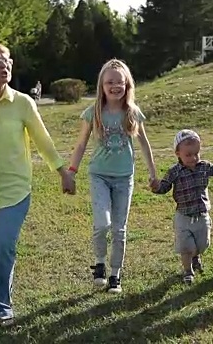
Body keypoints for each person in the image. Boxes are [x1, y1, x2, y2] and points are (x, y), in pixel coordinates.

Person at [0, 41, 75, 326]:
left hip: (14, 190)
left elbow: (43, 140)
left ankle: (0, 308)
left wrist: (63, 171)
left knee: (2, 247)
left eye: (7, 60)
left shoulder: (23, 103)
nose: (4, 65)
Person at [67, 58, 157, 293]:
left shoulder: (133, 112)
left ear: (127, 84)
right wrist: (71, 172)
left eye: (120, 82)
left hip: (124, 178)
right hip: (99, 176)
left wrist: (152, 172)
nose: (115, 86)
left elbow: (144, 144)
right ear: (102, 85)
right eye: (110, 82)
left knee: (119, 228)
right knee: (102, 224)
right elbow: (80, 145)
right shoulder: (94, 112)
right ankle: (99, 263)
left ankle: (115, 274)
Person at [150, 129, 213, 284]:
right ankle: (188, 271)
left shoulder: (203, 167)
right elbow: (164, 188)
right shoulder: (174, 172)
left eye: (196, 153)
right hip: (183, 216)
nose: (193, 158)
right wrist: (155, 186)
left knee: (202, 244)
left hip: (201, 214)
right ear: (177, 153)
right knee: (186, 247)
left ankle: (196, 256)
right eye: (188, 155)